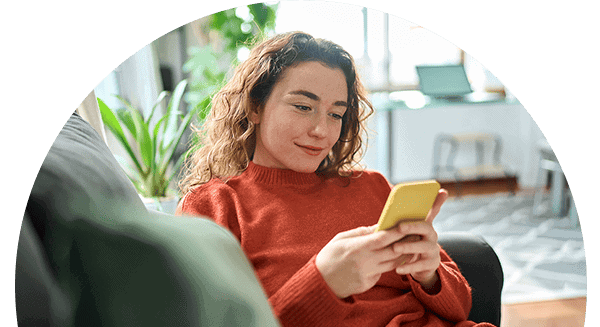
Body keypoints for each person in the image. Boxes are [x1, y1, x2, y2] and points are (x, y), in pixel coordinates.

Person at [176, 31, 496, 327]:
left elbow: (460, 309)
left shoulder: (372, 187)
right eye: (303, 106)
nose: (322, 131)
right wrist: (323, 284)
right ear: (255, 106)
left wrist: (430, 275)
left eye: (336, 114)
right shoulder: (214, 207)